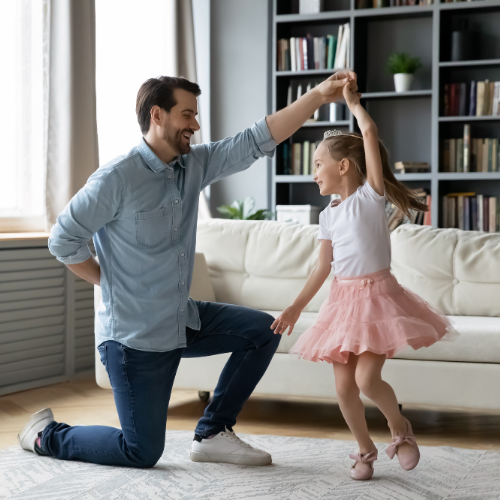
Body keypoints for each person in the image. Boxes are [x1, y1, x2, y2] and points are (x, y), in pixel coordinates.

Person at [18, 72, 360, 468]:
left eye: (196, 116)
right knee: (141, 451)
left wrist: (318, 96)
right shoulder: (116, 178)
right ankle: (46, 435)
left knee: (262, 333)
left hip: (182, 320)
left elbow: (256, 139)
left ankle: (213, 432)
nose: (195, 126)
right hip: (134, 340)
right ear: (157, 115)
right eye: (187, 115)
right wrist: (109, 281)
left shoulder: (193, 165)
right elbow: (62, 240)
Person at [271, 77, 459, 481]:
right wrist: (294, 307)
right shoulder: (327, 216)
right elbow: (323, 267)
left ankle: (400, 429)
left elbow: (370, 132)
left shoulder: (371, 199)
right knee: (343, 389)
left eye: (318, 164)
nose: (313, 173)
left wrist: (353, 104)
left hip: (378, 301)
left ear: (343, 166)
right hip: (342, 304)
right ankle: (364, 450)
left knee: (367, 379)